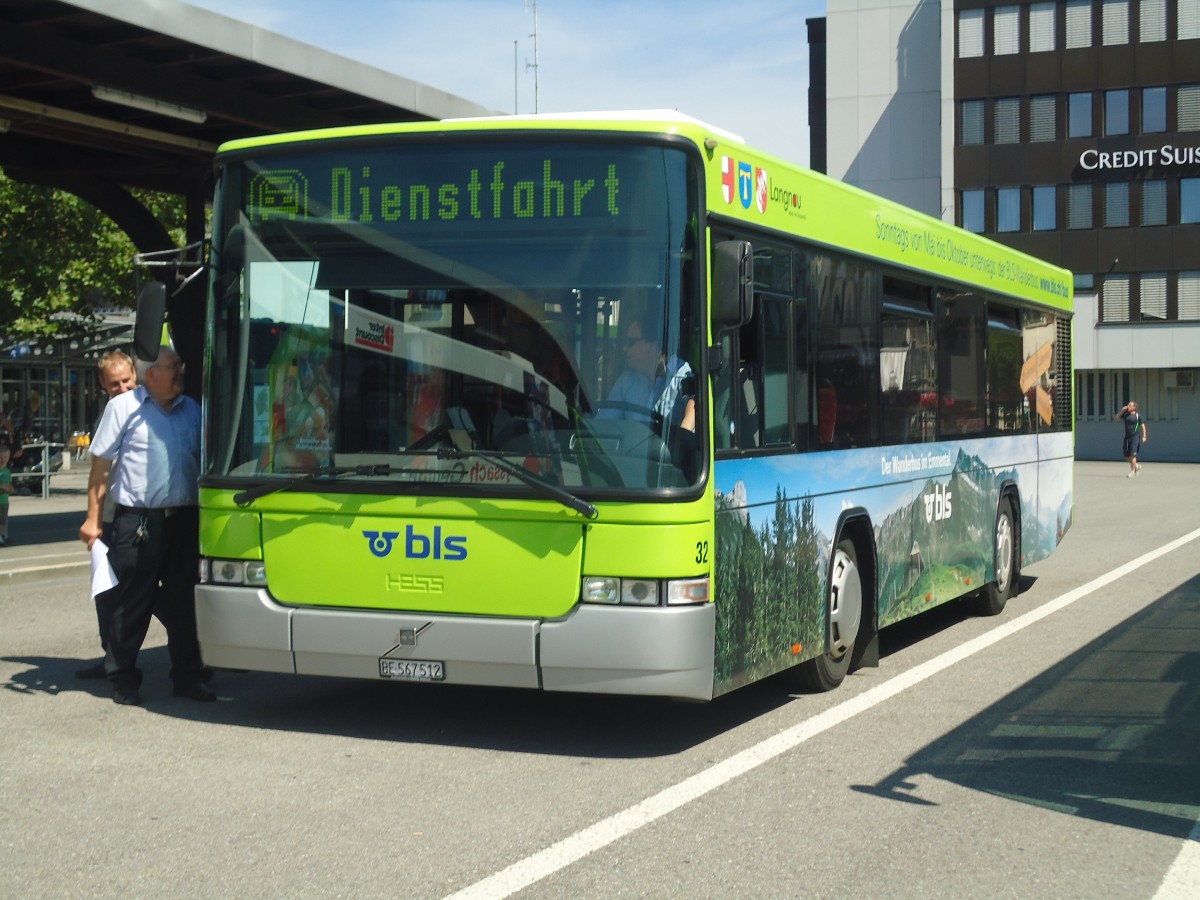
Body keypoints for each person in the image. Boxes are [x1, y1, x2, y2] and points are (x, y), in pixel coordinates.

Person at [79, 346, 214, 705]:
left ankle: (187, 678)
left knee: (184, 602)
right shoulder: (123, 408)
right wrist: (93, 519)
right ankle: (123, 678)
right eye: (175, 366)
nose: (182, 370)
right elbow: (100, 468)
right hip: (137, 522)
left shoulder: (193, 411)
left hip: (183, 521)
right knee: (133, 602)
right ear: (152, 374)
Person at [74, 351, 138, 680]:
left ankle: (191, 652)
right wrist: (94, 518)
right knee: (107, 591)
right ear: (102, 384)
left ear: (136, 375)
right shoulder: (111, 413)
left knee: (147, 592)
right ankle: (111, 656)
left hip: (137, 515)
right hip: (112, 517)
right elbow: (99, 470)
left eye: (126, 380)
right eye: (114, 384)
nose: (122, 388)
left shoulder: (144, 409)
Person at [1114, 400, 1148, 478]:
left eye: (1130, 405)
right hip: (1127, 437)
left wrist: (1144, 436)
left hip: (1135, 437)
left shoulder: (1138, 416)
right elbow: (1116, 418)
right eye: (1128, 405)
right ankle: (1137, 466)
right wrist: (1122, 411)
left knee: (1133, 455)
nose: (1128, 407)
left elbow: (1142, 426)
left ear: (1134, 407)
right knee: (1126, 456)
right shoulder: (1126, 415)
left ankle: (1133, 471)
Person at [0, 444, 12, 546]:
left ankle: (4, 535)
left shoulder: (7, 471)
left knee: (4, 520)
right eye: (0, 457)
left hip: (4, 500)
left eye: (5, 457)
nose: (3, 459)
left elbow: (9, 486)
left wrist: (9, 488)